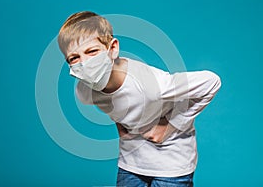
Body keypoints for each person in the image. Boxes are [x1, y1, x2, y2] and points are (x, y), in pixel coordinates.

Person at [57, 11, 221, 187]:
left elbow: (211, 82)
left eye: (92, 51)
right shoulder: (84, 92)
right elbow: (112, 103)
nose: (85, 63)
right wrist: (120, 123)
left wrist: (170, 126)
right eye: (74, 57)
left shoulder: (151, 84)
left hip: (172, 164)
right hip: (131, 163)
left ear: (112, 49)